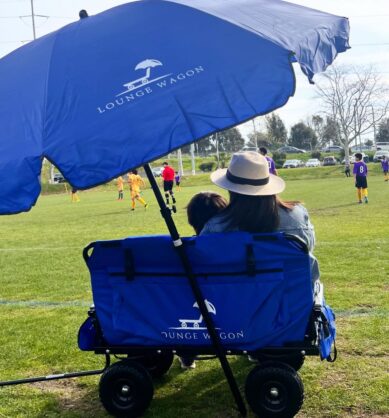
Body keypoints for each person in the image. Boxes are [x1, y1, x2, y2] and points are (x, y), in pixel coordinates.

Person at [178, 191, 228, 370]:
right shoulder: (245, 251)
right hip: (238, 313)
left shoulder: (188, 254)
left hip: (200, 312)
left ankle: (187, 356)